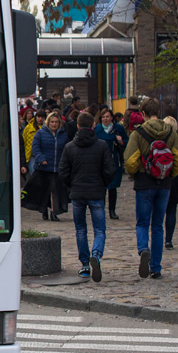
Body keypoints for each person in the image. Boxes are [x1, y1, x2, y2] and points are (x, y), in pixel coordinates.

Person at [124, 97, 178, 280]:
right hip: (164, 184)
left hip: (144, 184)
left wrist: (136, 173)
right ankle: (156, 268)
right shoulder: (170, 132)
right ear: (158, 112)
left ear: (142, 114)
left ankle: (143, 249)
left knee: (142, 222)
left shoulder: (138, 133)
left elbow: (130, 161)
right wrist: (170, 174)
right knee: (158, 226)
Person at [59, 112, 117, 281]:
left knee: (80, 229)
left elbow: (63, 171)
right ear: (93, 126)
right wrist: (103, 183)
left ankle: (85, 264)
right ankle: (96, 255)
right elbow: (110, 169)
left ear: (77, 126)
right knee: (99, 229)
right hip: (96, 192)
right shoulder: (101, 145)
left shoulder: (70, 147)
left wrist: (71, 185)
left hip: (77, 193)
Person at [29, 111, 69, 220]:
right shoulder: (40, 133)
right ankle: (44, 210)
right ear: (48, 122)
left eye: (56, 122)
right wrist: (41, 159)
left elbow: (66, 149)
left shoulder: (62, 134)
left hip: (57, 168)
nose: (54, 124)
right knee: (45, 190)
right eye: (52, 122)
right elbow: (35, 147)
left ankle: (54, 212)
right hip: (44, 167)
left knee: (55, 191)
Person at [94, 107, 128, 219]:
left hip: (114, 160)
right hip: (101, 161)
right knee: (102, 186)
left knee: (113, 187)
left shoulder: (118, 128)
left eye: (107, 116)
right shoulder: (97, 129)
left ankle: (112, 210)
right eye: (103, 117)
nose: (105, 119)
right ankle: (101, 209)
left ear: (112, 117)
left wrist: (121, 141)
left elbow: (127, 141)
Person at [162, 115, 178, 250]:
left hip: (159, 179)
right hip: (175, 179)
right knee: (171, 211)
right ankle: (168, 240)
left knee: (159, 212)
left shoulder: (157, 142)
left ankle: (157, 237)